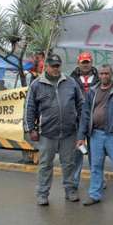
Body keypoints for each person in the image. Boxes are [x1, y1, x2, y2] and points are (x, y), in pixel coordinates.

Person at [23, 53, 83, 206]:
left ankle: (70, 190)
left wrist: (81, 128)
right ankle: (42, 193)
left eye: (58, 66)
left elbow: (81, 105)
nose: (56, 69)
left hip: (69, 132)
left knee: (69, 163)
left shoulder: (71, 82)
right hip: (47, 133)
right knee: (45, 165)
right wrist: (31, 129)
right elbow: (29, 108)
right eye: (53, 66)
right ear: (46, 66)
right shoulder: (36, 84)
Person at [76, 64, 113, 208]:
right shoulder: (92, 91)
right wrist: (81, 136)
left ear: (112, 74)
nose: (104, 76)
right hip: (95, 135)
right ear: (98, 75)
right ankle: (94, 194)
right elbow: (85, 114)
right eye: (101, 73)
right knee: (95, 166)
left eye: (106, 73)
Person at [70, 51, 100, 190]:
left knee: (95, 154)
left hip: (95, 121)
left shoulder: (100, 78)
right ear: (79, 63)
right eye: (83, 62)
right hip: (77, 122)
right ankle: (74, 182)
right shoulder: (71, 79)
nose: (86, 65)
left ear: (91, 62)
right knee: (77, 154)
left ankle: (97, 181)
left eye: (88, 62)